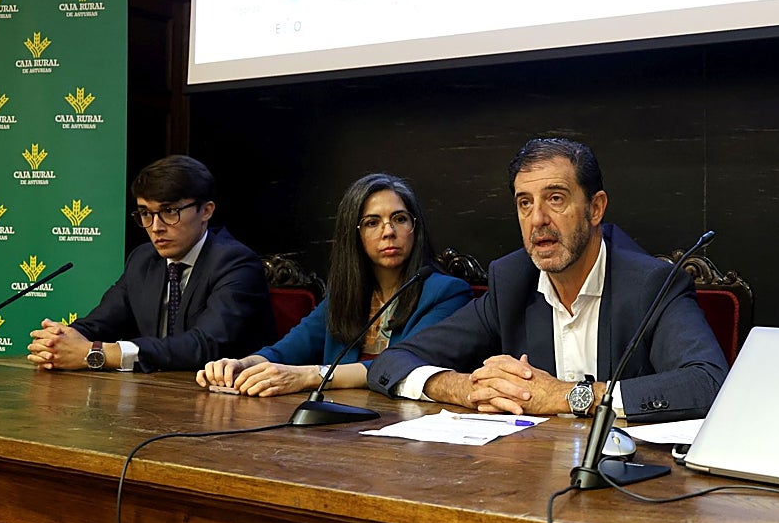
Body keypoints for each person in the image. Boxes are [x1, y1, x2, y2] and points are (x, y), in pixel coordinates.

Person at [367, 138, 728, 422]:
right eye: (524, 203)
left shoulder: (651, 284)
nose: (537, 219)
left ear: (596, 208)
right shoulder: (512, 282)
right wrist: (466, 388)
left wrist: (566, 396)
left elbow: (708, 382)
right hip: (532, 475)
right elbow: (393, 361)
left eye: (555, 199)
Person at [196, 173, 471, 396]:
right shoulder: (345, 296)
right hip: (339, 428)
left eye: (399, 219)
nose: (389, 232)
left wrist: (308, 376)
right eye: (372, 222)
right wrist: (240, 366)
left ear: (415, 228)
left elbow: (402, 366)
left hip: (406, 425)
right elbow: (285, 351)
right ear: (355, 235)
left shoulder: (446, 293)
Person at [27, 155, 276, 372]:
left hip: (227, 405)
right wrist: (59, 341)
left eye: (169, 212)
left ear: (206, 211)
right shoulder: (144, 260)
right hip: (152, 396)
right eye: (146, 213)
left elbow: (204, 346)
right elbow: (101, 323)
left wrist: (95, 353)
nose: (156, 227)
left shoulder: (236, 263)